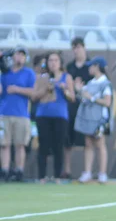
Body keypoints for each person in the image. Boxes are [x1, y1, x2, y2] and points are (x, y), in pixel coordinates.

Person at [33, 51, 74, 183]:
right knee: (43, 146)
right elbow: (34, 97)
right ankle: (42, 177)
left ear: (60, 63)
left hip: (60, 115)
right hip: (43, 115)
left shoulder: (66, 77)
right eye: (50, 60)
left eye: (56, 60)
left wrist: (64, 89)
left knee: (58, 146)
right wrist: (45, 89)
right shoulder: (42, 78)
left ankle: (57, 176)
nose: (53, 63)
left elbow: (72, 97)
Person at [75, 56, 113, 184]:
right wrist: (79, 91)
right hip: (88, 118)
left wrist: (91, 98)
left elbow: (107, 102)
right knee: (88, 144)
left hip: (99, 120)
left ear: (97, 67)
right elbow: (84, 98)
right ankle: (87, 172)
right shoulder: (91, 83)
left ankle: (102, 174)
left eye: (91, 66)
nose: (89, 68)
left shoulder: (105, 83)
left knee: (100, 144)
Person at [0, 46, 35, 182]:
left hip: (21, 114)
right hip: (4, 112)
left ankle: (19, 171)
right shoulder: (5, 73)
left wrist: (17, 89)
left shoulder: (28, 73)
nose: (19, 57)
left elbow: (33, 92)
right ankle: (5, 170)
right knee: (4, 144)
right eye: (17, 54)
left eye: (22, 55)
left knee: (20, 144)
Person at [64, 37, 91, 179]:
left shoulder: (91, 66)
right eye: (74, 47)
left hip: (87, 107)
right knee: (68, 140)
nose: (76, 50)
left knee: (88, 140)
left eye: (79, 47)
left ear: (84, 47)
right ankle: (67, 170)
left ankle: (87, 171)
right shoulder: (70, 67)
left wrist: (82, 89)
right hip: (72, 106)